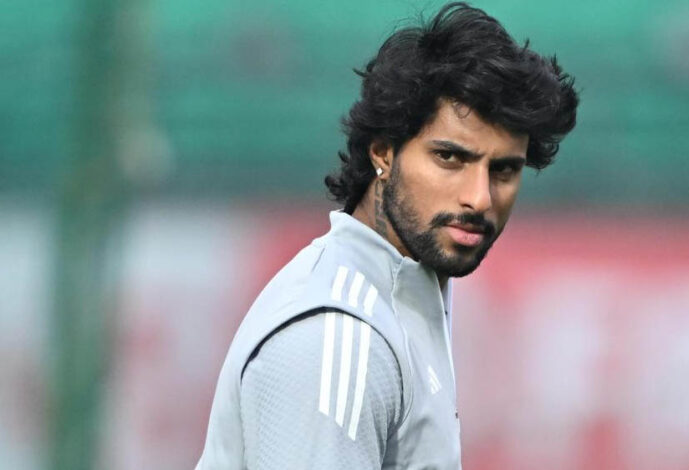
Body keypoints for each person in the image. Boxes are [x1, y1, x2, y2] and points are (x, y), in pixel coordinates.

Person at [195, 2, 578, 469]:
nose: (479, 198)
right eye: (450, 158)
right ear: (383, 153)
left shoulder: (396, 300)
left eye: (503, 170)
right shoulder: (339, 336)